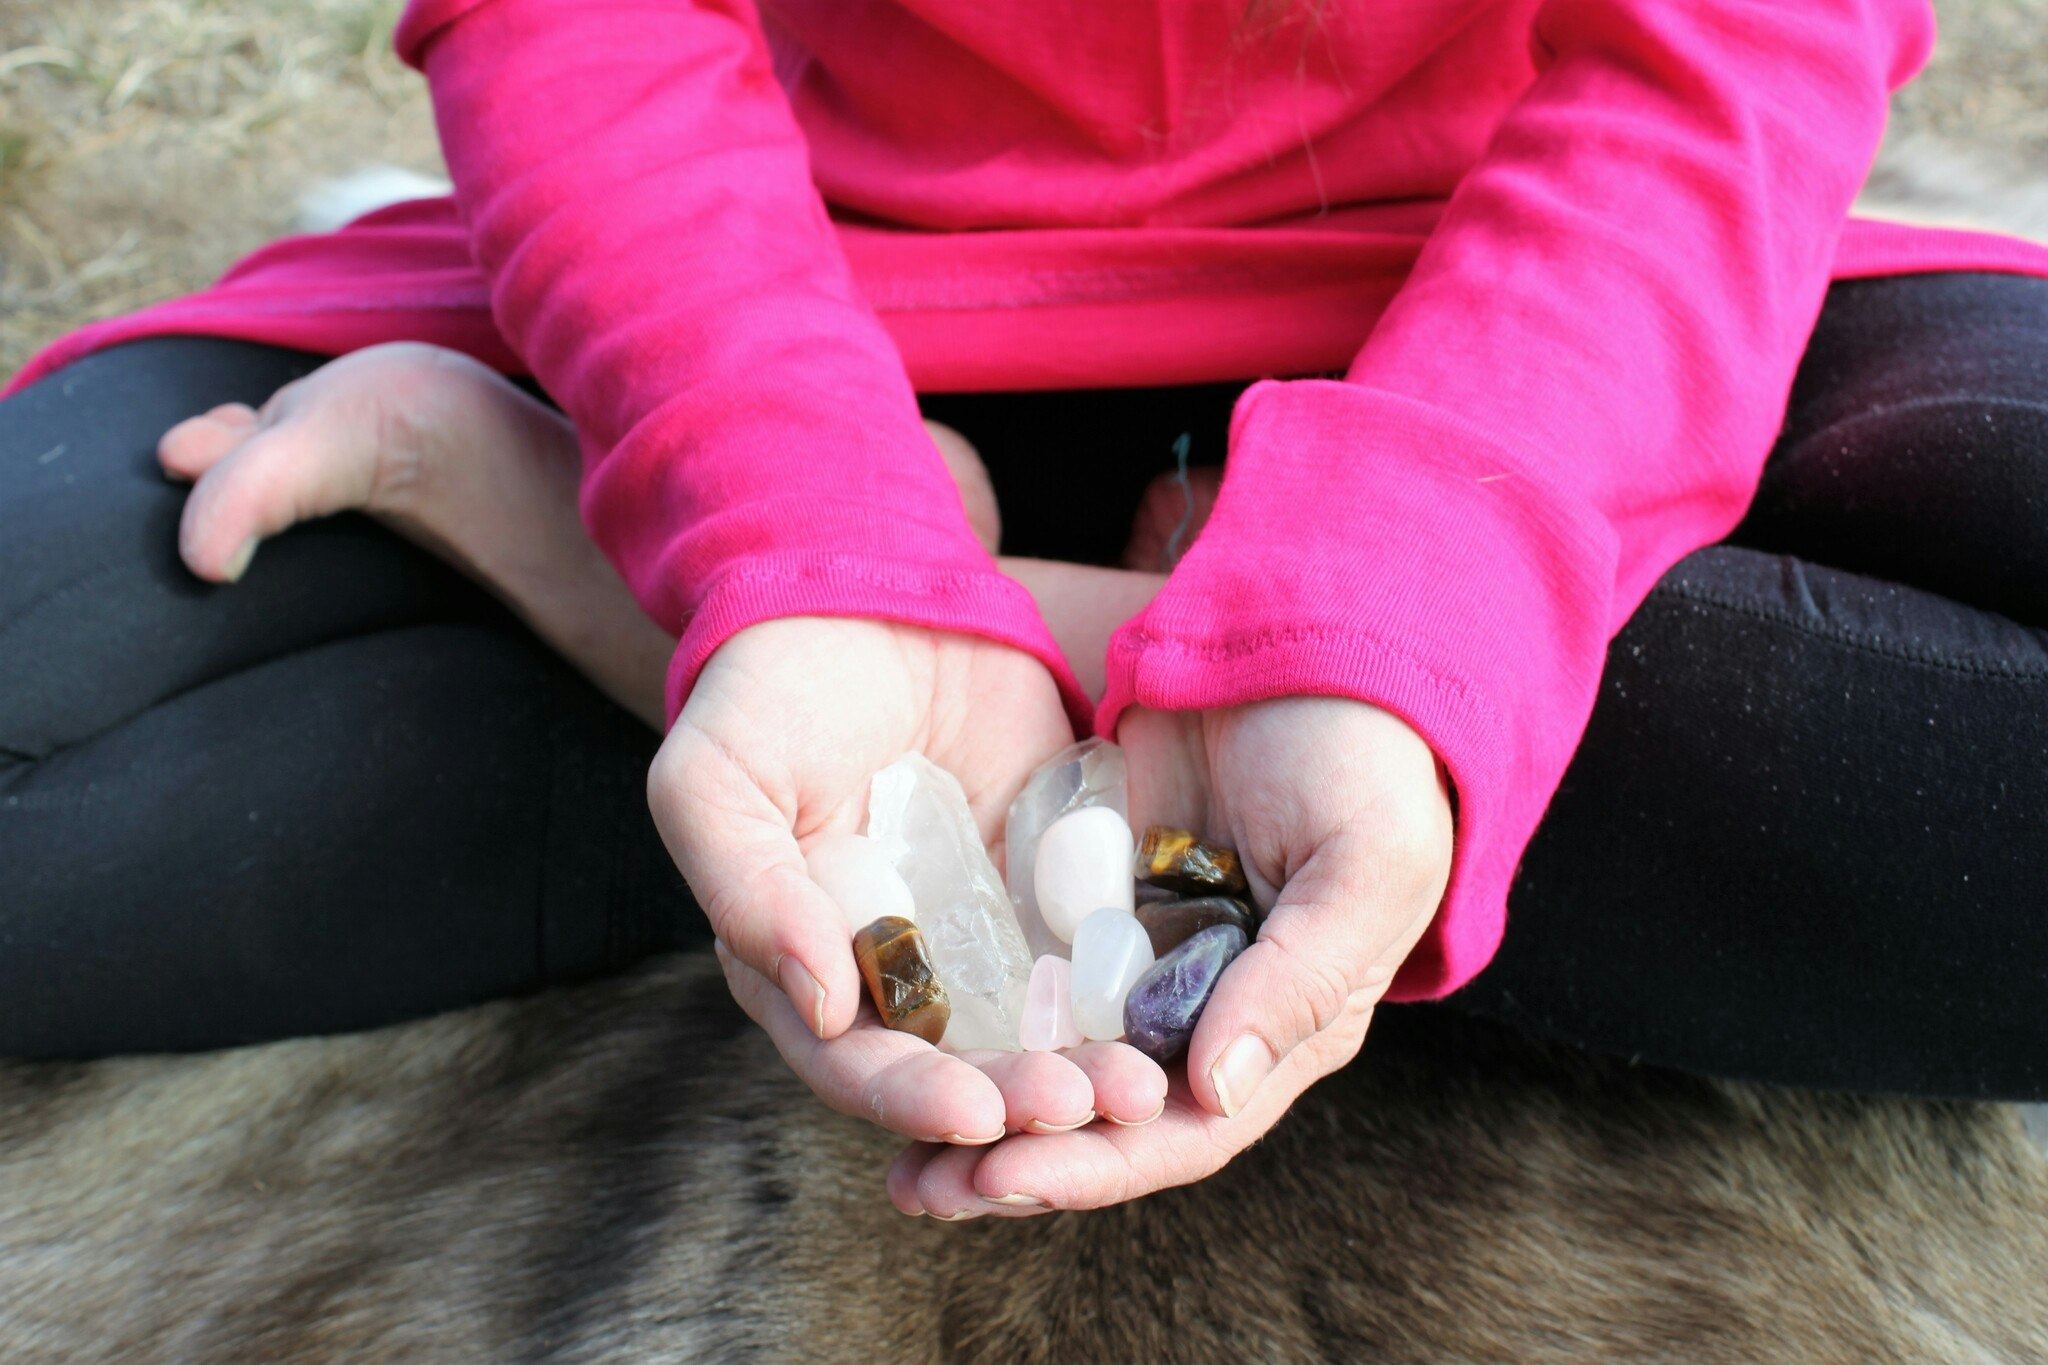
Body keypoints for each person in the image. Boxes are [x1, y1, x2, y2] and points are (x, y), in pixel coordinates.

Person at [2, 0, 2045, 1221]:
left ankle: (699, 600)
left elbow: (1738, 48)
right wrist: (781, 514)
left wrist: (1397, 609)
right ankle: (909, 657)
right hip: (750, 290)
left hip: (1523, 297)